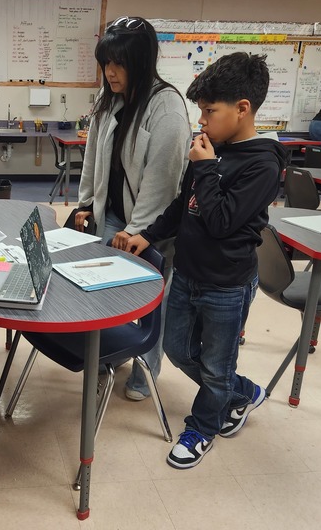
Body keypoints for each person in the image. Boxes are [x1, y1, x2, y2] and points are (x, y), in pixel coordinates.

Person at [122, 52, 287, 469]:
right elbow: (184, 205)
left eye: (210, 111)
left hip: (227, 285)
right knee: (176, 348)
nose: (202, 121)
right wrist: (147, 235)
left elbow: (220, 221)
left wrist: (207, 167)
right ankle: (243, 391)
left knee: (215, 367)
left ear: (242, 109)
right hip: (187, 274)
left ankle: (202, 428)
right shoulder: (211, 151)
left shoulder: (263, 164)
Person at [74, 15, 190, 401]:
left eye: (119, 63)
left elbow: (163, 181)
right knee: (105, 288)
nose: (110, 71)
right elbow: (94, 155)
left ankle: (146, 369)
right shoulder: (110, 97)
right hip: (112, 212)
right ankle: (110, 352)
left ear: (141, 61)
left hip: (152, 224)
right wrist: (86, 202)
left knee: (150, 298)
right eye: (105, 62)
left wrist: (137, 230)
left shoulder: (166, 108)